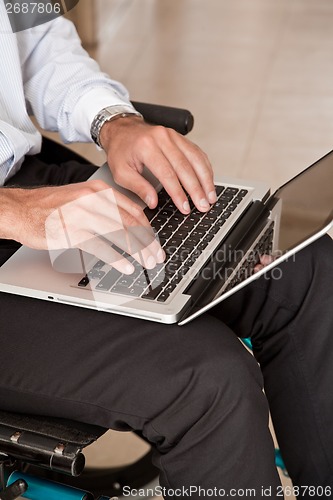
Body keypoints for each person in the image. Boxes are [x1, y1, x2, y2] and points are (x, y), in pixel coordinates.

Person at [0, 5, 332, 498]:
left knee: (301, 274)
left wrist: (114, 122)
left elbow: (36, 38)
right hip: (13, 209)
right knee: (208, 382)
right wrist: (14, 212)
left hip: (27, 183)